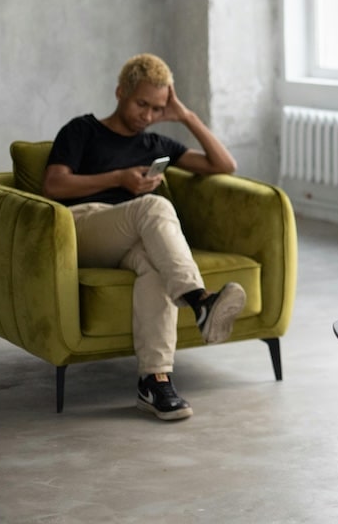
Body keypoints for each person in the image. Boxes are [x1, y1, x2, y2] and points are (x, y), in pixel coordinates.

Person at [42, 54, 247, 421]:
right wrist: (120, 179)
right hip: (79, 228)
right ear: (120, 92)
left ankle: (154, 381)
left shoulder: (155, 144)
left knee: (155, 268)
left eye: (156, 108)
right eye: (141, 104)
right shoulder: (82, 130)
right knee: (152, 206)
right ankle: (200, 301)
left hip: (130, 240)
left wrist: (186, 116)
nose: (147, 116)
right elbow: (54, 184)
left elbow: (224, 165)